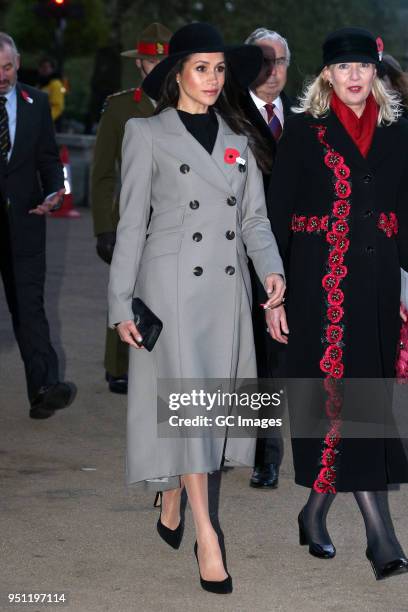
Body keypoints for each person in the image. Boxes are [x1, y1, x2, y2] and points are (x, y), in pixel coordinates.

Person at [108, 22, 285, 593]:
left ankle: (176, 495)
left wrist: (272, 271)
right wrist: (119, 302)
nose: (212, 79)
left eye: (220, 69)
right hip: (172, 290)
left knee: (213, 412)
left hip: (226, 293)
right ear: (178, 73)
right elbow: (131, 224)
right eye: (201, 68)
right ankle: (208, 537)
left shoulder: (237, 134)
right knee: (193, 412)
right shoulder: (147, 132)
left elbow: (254, 218)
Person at [267, 27, 408, 580]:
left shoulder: (399, 132)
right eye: (343, 67)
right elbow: (277, 214)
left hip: (374, 289)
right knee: (344, 406)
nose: (354, 76)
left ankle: (313, 512)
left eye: (363, 66)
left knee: (360, 404)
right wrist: (272, 293)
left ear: (375, 73)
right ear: (327, 74)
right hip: (318, 287)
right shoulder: (304, 131)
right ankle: (383, 539)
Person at [91, 23, 172, 395]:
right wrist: (104, 228)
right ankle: (119, 366)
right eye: (150, 59)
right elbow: (103, 172)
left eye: (163, 59)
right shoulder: (122, 106)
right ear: (139, 62)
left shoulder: (189, 101)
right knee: (125, 289)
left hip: (174, 216)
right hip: (132, 217)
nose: (155, 65)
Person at [0, 32, 76, 419]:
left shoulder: (37, 101)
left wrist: (55, 192)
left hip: (26, 222)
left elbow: (48, 157)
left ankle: (44, 388)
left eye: (8, 67)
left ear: (18, 62)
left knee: (30, 306)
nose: (2, 75)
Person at [240, 27, 293, 489]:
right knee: (260, 361)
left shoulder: (304, 116)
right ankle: (264, 453)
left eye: (279, 62)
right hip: (245, 259)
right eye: (263, 61)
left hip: (303, 254)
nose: (272, 71)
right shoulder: (229, 117)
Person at [37, 57, 66, 131]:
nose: (43, 69)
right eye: (41, 67)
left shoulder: (56, 84)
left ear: (52, 69)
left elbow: (58, 107)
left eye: (46, 67)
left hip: (51, 124)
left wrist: (45, 120)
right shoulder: (40, 84)